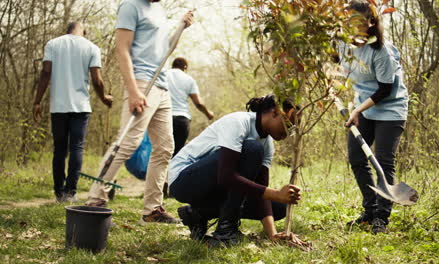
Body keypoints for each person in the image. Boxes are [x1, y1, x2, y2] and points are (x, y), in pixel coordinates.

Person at [85, 0, 193, 224]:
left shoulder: (159, 11)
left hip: (162, 87)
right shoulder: (130, 7)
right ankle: (95, 201)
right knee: (128, 142)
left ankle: (152, 210)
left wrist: (181, 27)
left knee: (165, 147)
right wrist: (133, 90)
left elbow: (166, 50)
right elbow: (122, 48)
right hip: (142, 82)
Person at [169, 94, 301, 247]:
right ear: (275, 112)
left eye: (293, 129)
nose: (288, 132)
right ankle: (225, 232)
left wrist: (273, 234)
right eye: (289, 125)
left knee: (278, 207)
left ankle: (198, 214)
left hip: (213, 187)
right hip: (184, 181)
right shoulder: (239, 122)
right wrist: (276, 193)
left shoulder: (267, 144)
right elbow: (226, 177)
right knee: (252, 149)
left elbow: (261, 192)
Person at [339, 0, 409, 234]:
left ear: (371, 22)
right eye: (348, 22)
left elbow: (385, 89)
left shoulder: (381, 51)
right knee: (357, 158)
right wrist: (350, 101)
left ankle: (381, 217)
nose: (352, 26)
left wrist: (357, 110)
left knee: (382, 161)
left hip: (390, 108)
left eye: (358, 22)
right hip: (363, 106)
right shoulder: (343, 46)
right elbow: (341, 73)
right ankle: (369, 210)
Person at [32, 22, 113, 203]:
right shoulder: (91, 47)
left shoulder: (53, 44)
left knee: (59, 149)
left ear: (67, 30)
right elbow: (97, 80)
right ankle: (71, 192)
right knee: (76, 147)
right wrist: (104, 98)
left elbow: (46, 73)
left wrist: (37, 101)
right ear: (83, 31)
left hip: (58, 107)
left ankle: (59, 193)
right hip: (80, 107)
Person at [167, 57, 214, 157]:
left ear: (173, 65)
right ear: (185, 67)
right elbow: (198, 103)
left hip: (164, 117)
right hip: (182, 120)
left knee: (161, 151)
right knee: (177, 154)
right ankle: (173, 172)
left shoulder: (164, 75)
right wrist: (208, 113)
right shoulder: (188, 79)